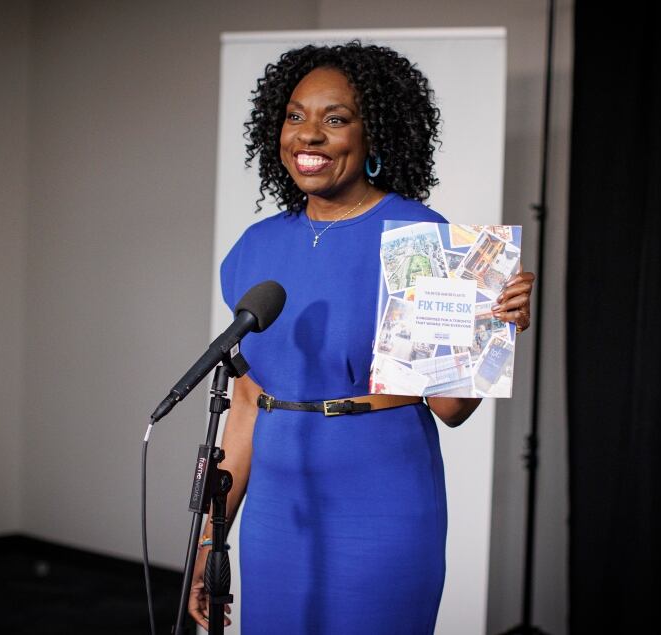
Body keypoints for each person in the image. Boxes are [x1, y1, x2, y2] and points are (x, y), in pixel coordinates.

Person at [189, 42, 535, 634]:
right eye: (295, 116)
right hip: (278, 510)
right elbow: (246, 404)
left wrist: (493, 320)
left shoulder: (424, 240)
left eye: (336, 118)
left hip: (380, 502)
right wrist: (208, 542)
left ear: (374, 134)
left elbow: (452, 409)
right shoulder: (256, 247)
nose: (310, 136)